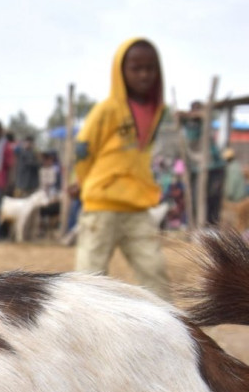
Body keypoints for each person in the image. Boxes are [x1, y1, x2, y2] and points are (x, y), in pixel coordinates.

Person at [73, 37, 171, 300]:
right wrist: (83, 182)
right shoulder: (107, 110)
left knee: (154, 270)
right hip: (102, 205)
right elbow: (83, 149)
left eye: (150, 68)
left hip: (137, 207)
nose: (144, 74)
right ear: (120, 71)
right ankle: (88, 333)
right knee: (90, 277)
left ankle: (169, 331)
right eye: (136, 68)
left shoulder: (158, 111)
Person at [181, 100, 226, 226]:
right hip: (196, 168)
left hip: (213, 167)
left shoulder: (205, 120)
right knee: (197, 199)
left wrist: (200, 113)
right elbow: (178, 115)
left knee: (212, 199)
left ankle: (211, 228)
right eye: (193, 109)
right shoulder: (188, 123)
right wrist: (189, 115)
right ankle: (199, 227)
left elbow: (204, 115)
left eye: (197, 109)